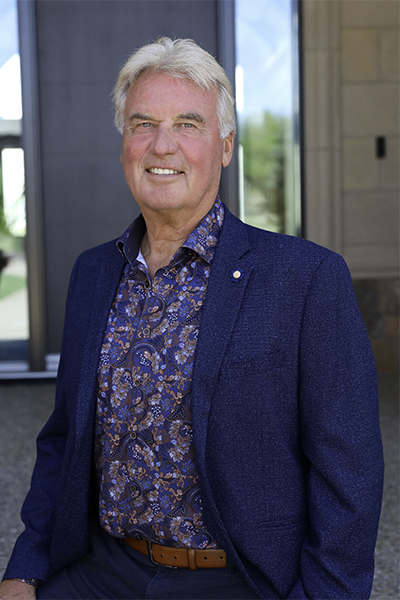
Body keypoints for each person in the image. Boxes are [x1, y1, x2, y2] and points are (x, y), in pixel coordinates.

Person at [1, 37, 383, 600]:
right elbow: (63, 440)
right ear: (124, 142)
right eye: (143, 124)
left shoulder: (305, 279)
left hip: (235, 580)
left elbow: (350, 472)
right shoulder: (93, 273)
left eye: (187, 124)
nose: (163, 144)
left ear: (225, 146)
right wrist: (24, 569)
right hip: (104, 570)